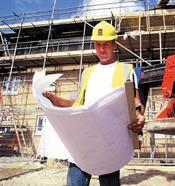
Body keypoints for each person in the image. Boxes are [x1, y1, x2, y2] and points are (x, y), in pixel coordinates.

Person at [43, 21, 145, 186]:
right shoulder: (87, 73)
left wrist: (140, 117)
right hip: (84, 141)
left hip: (109, 142)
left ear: (114, 45)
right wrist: (56, 101)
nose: (102, 49)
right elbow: (79, 105)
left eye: (106, 44)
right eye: (98, 45)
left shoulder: (126, 70)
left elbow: (136, 104)